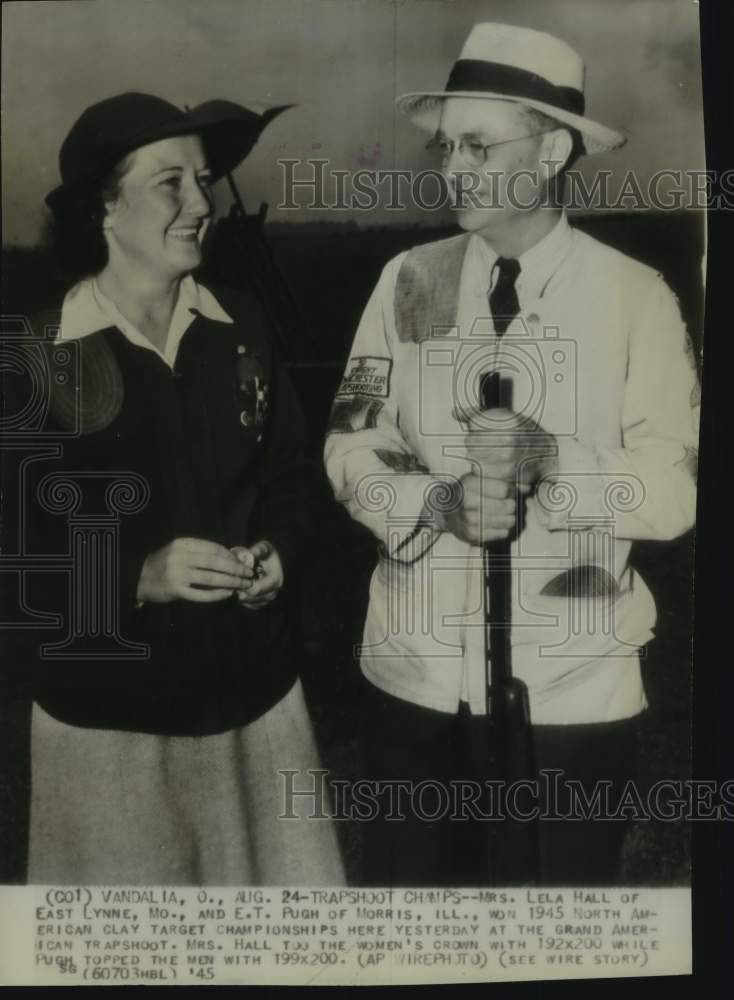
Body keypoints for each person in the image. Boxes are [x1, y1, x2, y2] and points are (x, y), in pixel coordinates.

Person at [324, 24, 700, 886]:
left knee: (556, 932)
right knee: (414, 931)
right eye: (446, 145)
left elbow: (675, 494)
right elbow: (353, 444)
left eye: (481, 145)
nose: (453, 168)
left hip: (571, 696)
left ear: (554, 149)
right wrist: (434, 506)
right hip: (415, 689)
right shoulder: (407, 280)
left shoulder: (637, 299)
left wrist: (555, 463)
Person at [6, 92, 344, 886]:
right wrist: (135, 576)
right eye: (170, 183)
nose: (201, 204)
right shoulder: (31, 359)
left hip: (257, 710)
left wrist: (279, 557)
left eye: (204, 180)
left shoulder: (244, 325)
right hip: (106, 730)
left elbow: (293, 480)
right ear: (104, 207)